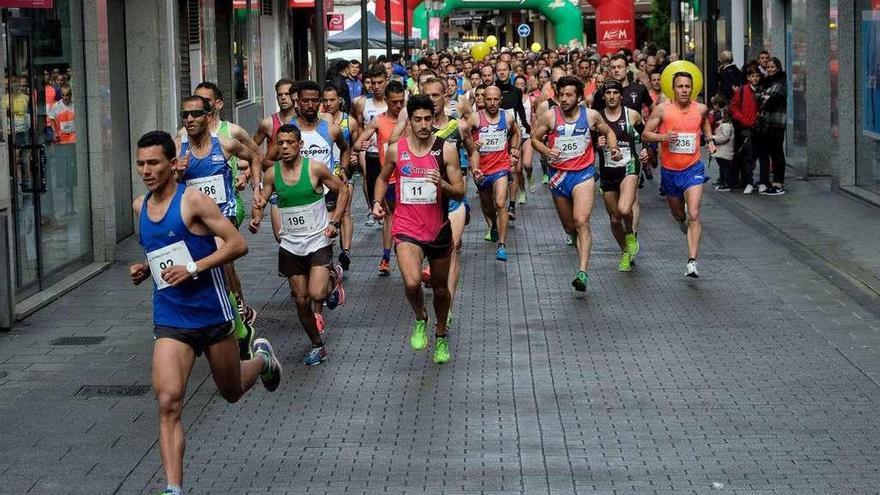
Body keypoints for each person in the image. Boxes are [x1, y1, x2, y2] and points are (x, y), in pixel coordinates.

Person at [131, 130, 281, 495]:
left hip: (212, 314)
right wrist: (145, 268)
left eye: (153, 163)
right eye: (140, 164)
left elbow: (237, 244)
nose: (146, 170)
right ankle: (173, 488)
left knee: (230, 391)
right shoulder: (139, 208)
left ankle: (262, 360)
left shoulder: (194, 201)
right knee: (168, 402)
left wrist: (194, 269)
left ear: (172, 163)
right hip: (170, 318)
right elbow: (165, 252)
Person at [371, 95, 465, 365]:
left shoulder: (445, 150)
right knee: (412, 283)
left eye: (428, 119)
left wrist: (442, 185)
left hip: (437, 229)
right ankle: (421, 317)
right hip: (406, 226)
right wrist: (377, 202)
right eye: (418, 119)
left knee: (440, 290)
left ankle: (441, 335)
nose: (424, 124)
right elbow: (381, 178)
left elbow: (460, 190)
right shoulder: (395, 150)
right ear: (409, 121)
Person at [250, 124, 348, 366]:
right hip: (291, 245)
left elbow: (343, 190)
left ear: (300, 145)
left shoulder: (315, 169)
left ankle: (331, 277)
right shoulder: (272, 174)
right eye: (280, 143)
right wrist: (256, 215)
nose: (284, 147)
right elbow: (262, 200)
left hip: (317, 240)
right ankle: (317, 345)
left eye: (289, 142)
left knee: (317, 293)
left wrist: (334, 221)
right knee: (301, 300)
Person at [175, 95, 264, 359]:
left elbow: (255, 156)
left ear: (208, 116)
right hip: (193, 223)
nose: (189, 119)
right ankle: (238, 323)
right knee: (213, 278)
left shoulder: (224, 144)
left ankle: (234, 321)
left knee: (219, 263)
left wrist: (255, 187)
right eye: (185, 115)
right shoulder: (177, 147)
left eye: (195, 114)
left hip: (224, 217)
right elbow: (166, 183)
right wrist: (177, 173)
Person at [530, 76, 621, 291]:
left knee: (581, 221)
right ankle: (573, 236)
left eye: (569, 95)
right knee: (569, 226)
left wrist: (613, 148)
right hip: (559, 176)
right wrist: (546, 150)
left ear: (579, 97)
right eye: (561, 95)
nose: (564, 99)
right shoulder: (550, 117)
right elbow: (534, 138)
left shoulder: (590, 116)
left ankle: (582, 272)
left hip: (583, 174)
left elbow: (608, 131)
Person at [642, 71, 717, 278]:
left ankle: (692, 262)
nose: (684, 90)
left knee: (694, 213)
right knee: (679, 215)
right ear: (673, 89)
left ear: (692, 89)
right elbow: (645, 133)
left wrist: (710, 140)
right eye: (680, 86)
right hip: (670, 172)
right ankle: (681, 219)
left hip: (693, 169)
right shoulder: (662, 110)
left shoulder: (700, 109)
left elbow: (705, 123)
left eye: (687, 86)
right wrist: (665, 137)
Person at [354, 80, 407, 275]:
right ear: (386, 100)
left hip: (409, 177)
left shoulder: (411, 119)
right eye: (394, 102)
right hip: (390, 177)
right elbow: (358, 142)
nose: (399, 106)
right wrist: (362, 145)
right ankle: (386, 257)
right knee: (390, 217)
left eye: (402, 101)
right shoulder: (378, 120)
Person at [595, 80, 647, 272]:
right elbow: (589, 143)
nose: (611, 96)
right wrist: (597, 143)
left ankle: (631, 235)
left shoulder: (631, 115)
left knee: (625, 209)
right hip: (608, 170)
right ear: (603, 96)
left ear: (621, 95)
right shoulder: (597, 118)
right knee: (615, 219)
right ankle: (625, 251)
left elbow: (646, 134)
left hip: (629, 167)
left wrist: (646, 151)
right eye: (608, 93)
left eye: (615, 93)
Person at [468, 85, 520, 262]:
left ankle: (502, 245)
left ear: (500, 100)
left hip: (501, 168)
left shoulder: (507, 118)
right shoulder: (475, 118)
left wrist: (513, 149)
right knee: (488, 207)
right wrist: (470, 145)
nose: (491, 103)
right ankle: (493, 226)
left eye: (495, 99)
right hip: (481, 170)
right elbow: (463, 135)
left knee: (499, 203)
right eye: (488, 99)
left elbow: (515, 132)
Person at [321, 84, 359, 270]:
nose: (328, 103)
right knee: (326, 212)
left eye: (332, 100)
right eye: (325, 100)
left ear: (339, 100)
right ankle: (326, 250)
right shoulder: (318, 122)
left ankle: (346, 251)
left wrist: (353, 159)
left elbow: (355, 146)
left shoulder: (349, 122)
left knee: (345, 211)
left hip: (343, 173)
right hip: (323, 175)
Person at [352, 65, 389, 227]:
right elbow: (360, 127)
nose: (376, 86)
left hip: (389, 152)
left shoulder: (394, 102)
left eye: (380, 82)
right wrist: (361, 144)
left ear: (386, 81)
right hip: (371, 152)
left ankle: (387, 210)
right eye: (373, 83)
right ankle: (372, 208)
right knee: (369, 179)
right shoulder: (362, 103)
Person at [755, 57, 787, 195]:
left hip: (777, 123)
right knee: (768, 153)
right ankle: (769, 182)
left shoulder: (781, 81)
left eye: (773, 67)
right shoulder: (767, 82)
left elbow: (773, 97)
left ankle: (779, 183)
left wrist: (763, 96)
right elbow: (758, 96)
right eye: (768, 67)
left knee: (777, 153)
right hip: (765, 124)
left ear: (778, 68)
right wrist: (763, 96)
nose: (770, 69)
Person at [729, 64, 761, 193]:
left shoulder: (762, 90)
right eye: (753, 76)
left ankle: (761, 181)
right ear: (748, 77)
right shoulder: (743, 90)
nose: (755, 79)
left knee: (758, 155)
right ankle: (748, 181)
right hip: (746, 127)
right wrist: (742, 118)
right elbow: (733, 106)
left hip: (760, 128)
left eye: (757, 76)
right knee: (747, 155)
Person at [711, 102, 735, 192]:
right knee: (722, 166)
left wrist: (713, 138)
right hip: (723, 151)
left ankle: (726, 183)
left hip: (724, 151)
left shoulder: (726, 126)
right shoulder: (726, 124)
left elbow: (724, 138)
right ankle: (722, 181)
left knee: (725, 167)